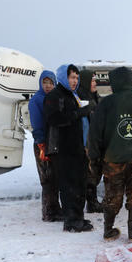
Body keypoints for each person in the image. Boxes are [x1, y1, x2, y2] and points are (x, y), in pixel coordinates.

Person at [87, 66, 132, 240]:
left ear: (114, 83)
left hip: (113, 160)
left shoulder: (105, 104)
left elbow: (94, 135)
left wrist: (95, 158)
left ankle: (108, 230)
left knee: (113, 197)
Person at [44, 64, 95, 232]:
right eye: (72, 77)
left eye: (76, 78)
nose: (75, 81)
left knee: (80, 183)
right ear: (63, 77)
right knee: (69, 185)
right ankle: (71, 221)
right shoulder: (55, 96)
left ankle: (78, 217)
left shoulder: (74, 95)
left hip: (78, 147)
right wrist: (78, 113)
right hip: (64, 148)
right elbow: (55, 119)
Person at [28, 69, 61, 221]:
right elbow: (36, 124)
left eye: (50, 83)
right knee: (47, 179)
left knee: (55, 178)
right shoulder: (36, 100)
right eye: (44, 83)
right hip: (42, 144)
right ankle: (48, 212)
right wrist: (41, 143)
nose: (47, 86)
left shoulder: (54, 98)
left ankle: (55, 208)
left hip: (54, 142)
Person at [77, 68, 104, 213]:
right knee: (89, 174)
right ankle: (91, 203)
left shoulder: (94, 96)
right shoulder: (82, 98)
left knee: (94, 173)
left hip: (95, 141)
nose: (95, 83)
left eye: (95, 80)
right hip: (86, 143)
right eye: (92, 80)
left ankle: (92, 202)